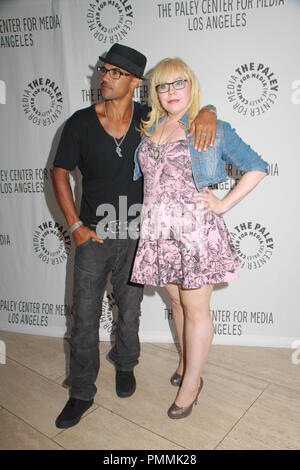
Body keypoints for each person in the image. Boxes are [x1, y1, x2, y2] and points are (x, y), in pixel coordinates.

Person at [52, 44, 218, 429]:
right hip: (93, 236)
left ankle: (125, 366)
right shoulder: (79, 123)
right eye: (103, 70)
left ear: (134, 82)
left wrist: (209, 111)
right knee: (85, 316)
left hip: (141, 234)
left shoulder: (150, 118)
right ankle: (80, 391)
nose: (104, 78)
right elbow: (60, 173)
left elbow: (191, 113)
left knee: (129, 312)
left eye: (114, 73)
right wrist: (76, 225)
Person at [130, 57, 268, 419]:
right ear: (154, 92)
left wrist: (222, 204)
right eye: (163, 85)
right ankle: (186, 361)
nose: (172, 91)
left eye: (180, 83)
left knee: (195, 310)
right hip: (158, 232)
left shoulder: (211, 127)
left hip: (194, 234)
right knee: (177, 305)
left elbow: (257, 167)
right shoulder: (149, 129)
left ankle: (192, 384)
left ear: (191, 86)